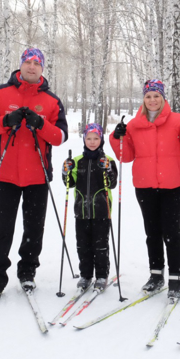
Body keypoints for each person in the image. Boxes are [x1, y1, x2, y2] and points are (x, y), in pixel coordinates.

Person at [0, 48, 68, 302]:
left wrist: (41, 125)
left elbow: (60, 137)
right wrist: (6, 120)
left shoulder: (51, 101)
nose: (31, 67)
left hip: (38, 176)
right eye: (28, 62)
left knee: (34, 229)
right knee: (3, 228)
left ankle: (27, 272)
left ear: (42, 68)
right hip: (6, 174)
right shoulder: (0, 93)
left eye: (36, 63)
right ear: (21, 65)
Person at [109, 79, 180, 299]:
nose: (152, 100)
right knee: (152, 232)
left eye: (156, 96)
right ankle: (156, 274)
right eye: (148, 96)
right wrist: (117, 137)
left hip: (173, 185)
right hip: (145, 186)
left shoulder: (178, 121)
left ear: (163, 98)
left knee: (172, 232)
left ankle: (175, 276)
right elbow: (126, 156)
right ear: (143, 99)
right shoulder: (133, 125)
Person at [62, 123, 118, 292]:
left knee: (100, 245)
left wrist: (108, 170)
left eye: (96, 138)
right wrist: (66, 171)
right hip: (81, 211)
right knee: (83, 245)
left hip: (102, 210)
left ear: (101, 139)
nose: (92, 142)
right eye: (89, 138)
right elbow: (69, 183)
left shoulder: (108, 160)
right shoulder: (78, 161)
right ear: (84, 139)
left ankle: (101, 275)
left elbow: (113, 183)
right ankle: (85, 275)